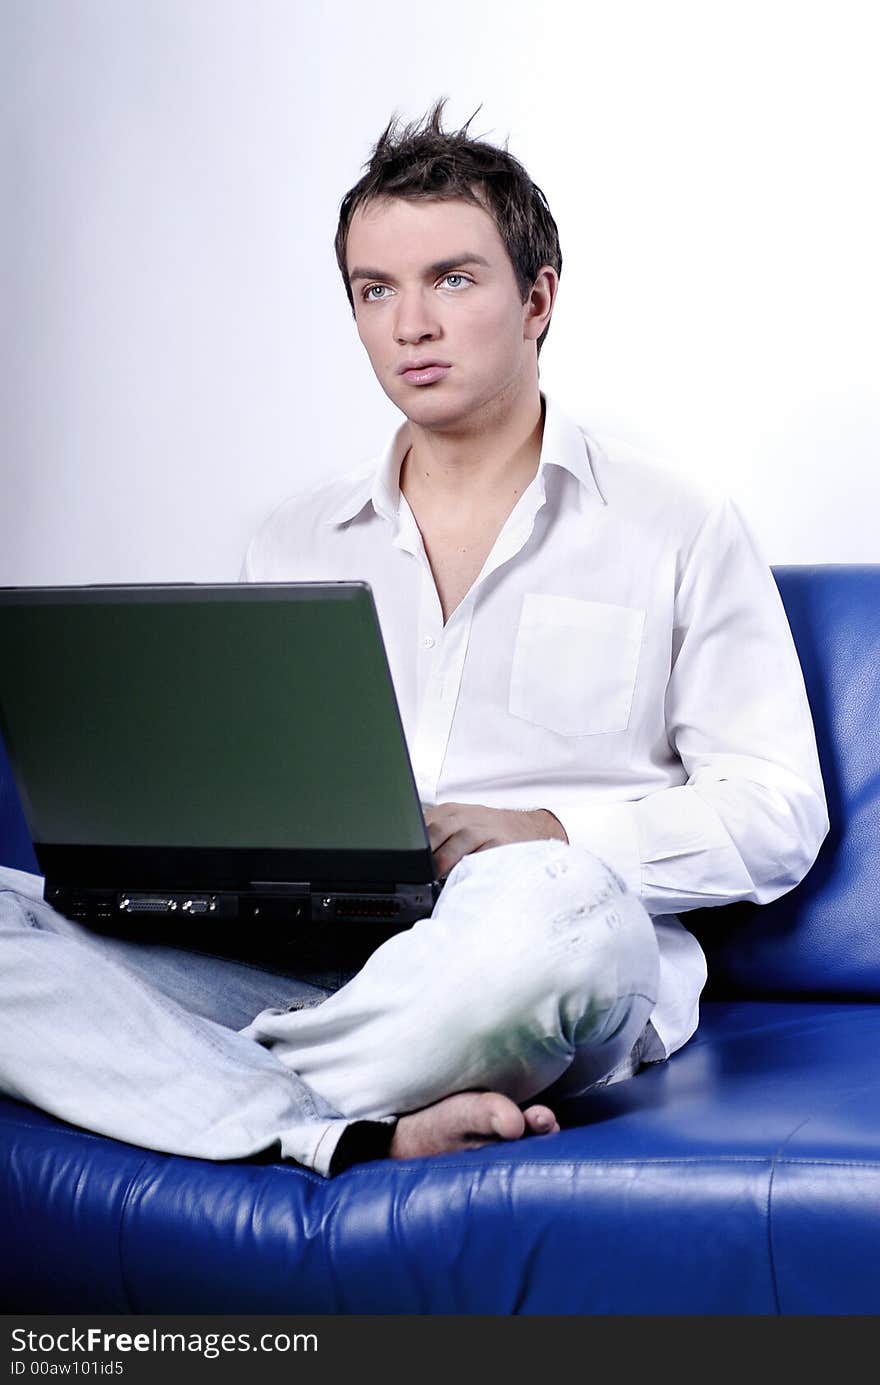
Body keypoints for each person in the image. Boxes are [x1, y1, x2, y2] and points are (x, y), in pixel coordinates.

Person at [0, 100, 829, 1177]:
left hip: (525, 955)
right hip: (309, 962)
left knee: (563, 913)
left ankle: (199, 1082)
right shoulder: (289, 537)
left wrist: (543, 830)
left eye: (452, 279)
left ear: (536, 299)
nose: (410, 325)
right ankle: (345, 1117)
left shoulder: (676, 522)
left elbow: (776, 812)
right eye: (374, 290)